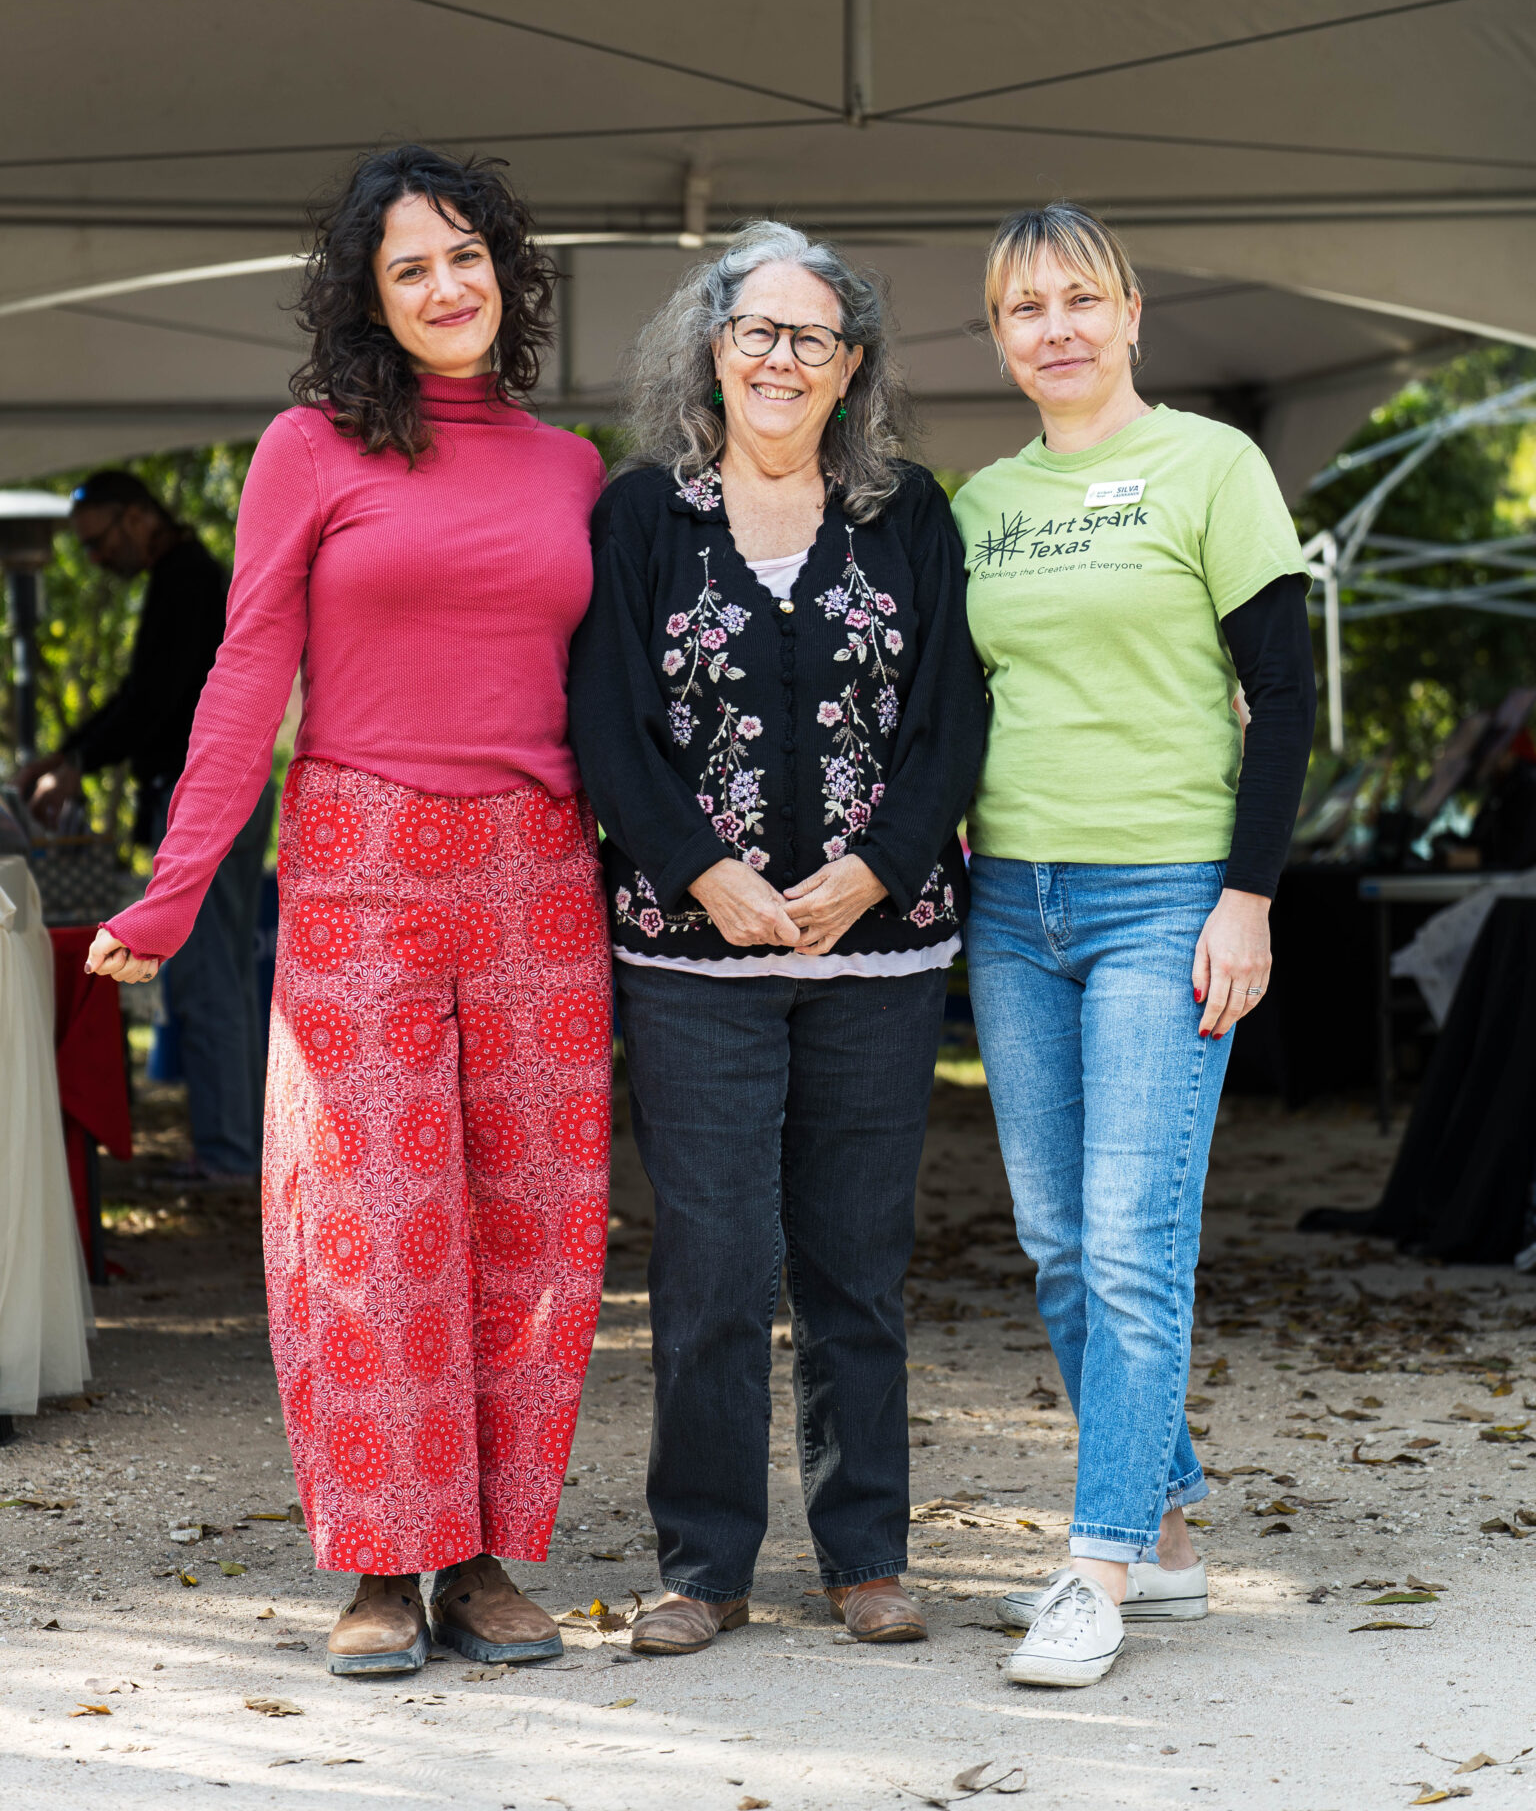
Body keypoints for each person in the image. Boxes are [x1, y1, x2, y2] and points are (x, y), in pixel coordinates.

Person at [83, 145, 612, 1678]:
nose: (446, 286)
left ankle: (488, 1559)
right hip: (360, 861)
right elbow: (247, 672)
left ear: (505, 270)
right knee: (370, 1227)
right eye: (409, 268)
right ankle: (382, 1563)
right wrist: (177, 889)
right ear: (367, 302)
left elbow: (612, 697)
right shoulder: (310, 449)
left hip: (537, 867)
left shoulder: (571, 465)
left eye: (466, 256)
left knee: (536, 1224)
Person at [569, 222, 987, 1655]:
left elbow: (951, 722)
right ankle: (704, 1565)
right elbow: (605, 727)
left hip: (881, 954)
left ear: (852, 365)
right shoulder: (641, 519)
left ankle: (867, 1553)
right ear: (711, 346)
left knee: (857, 1264)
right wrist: (703, 875)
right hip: (695, 964)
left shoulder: (908, 515)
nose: (782, 357)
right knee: (713, 1268)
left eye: (813, 337)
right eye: (757, 330)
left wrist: (875, 871)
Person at [952, 202, 1316, 1687]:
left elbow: (1282, 697)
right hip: (1012, 902)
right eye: (1026, 306)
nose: (1057, 326)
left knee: (1130, 1241)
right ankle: (1164, 1536)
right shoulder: (980, 501)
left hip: (1167, 893)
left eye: (1081, 299)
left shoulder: (1214, 469)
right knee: (1057, 1244)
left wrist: (1250, 895)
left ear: (1131, 312)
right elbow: (959, 703)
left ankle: (1094, 1567)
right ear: (997, 335)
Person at [17, 469, 273, 1182]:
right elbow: (142, 694)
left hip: (204, 794)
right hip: (234, 791)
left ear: (135, 518)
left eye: (99, 543)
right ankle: (243, 1148)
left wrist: (79, 761)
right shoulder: (188, 573)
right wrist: (71, 753)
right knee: (229, 979)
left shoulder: (186, 576)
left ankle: (227, 1155)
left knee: (206, 981)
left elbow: (154, 701)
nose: (97, 561)